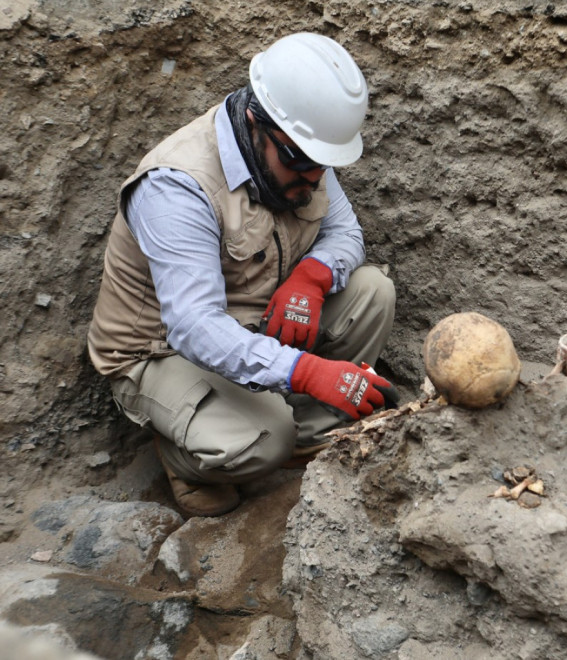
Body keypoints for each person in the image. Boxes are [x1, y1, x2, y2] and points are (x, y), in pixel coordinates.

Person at [87, 33, 398, 518]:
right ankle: (186, 457)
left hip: (250, 318)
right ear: (257, 123)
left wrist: (312, 278)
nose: (313, 178)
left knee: (371, 292)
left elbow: (346, 232)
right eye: (300, 162)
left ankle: (307, 437)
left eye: (323, 165)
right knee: (262, 440)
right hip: (162, 350)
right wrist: (307, 371)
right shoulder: (177, 186)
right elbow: (195, 327)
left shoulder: (299, 147)